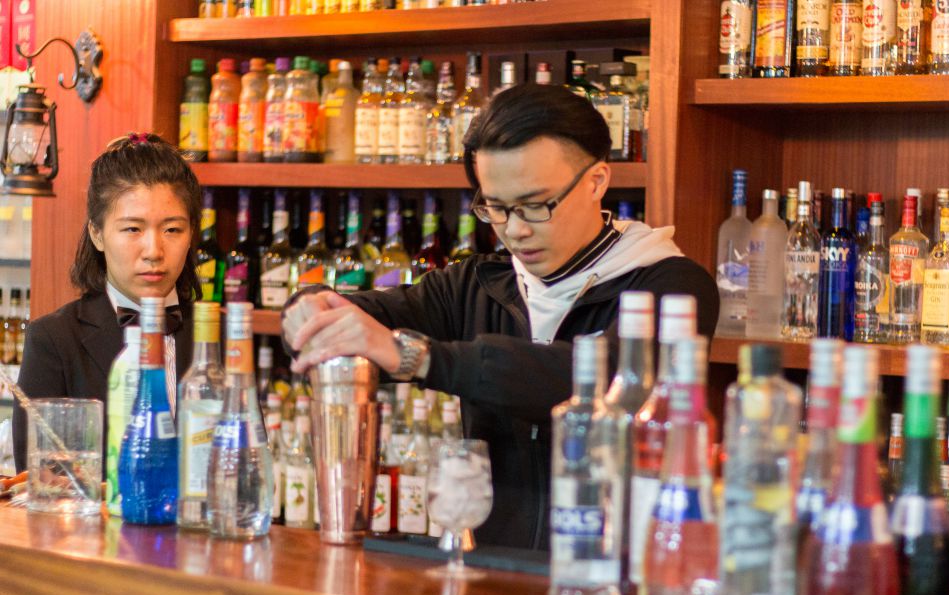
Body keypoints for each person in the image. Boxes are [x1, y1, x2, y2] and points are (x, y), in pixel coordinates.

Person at [283, 84, 719, 550]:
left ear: (596, 181)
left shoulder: (672, 286)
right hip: (494, 570)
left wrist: (418, 357)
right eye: (496, 207)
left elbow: (599, 382)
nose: (515, 229)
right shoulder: (475, 283)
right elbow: (358, 315)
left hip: (623, 568)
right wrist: (309, 307)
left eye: (536, 205)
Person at [13, 133, 201, 472]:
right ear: (97, 234)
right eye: (132, 229)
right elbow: (40, 478)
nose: (154, 251)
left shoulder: (219, 337)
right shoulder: (54, 339)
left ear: (191, 235)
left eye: (172, 230)